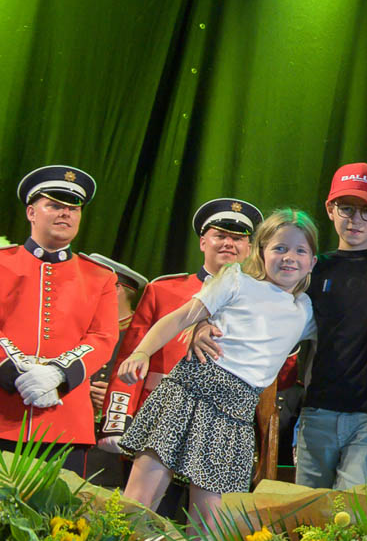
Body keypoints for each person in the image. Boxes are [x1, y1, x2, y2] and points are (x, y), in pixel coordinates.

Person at [117, 210, 318, 528]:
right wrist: (142, 352)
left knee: (210, 526)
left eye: (300, 250)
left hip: (235, 413)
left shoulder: (304, 309)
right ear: (261, 251)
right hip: (188, 392)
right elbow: (181, 317)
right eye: (279, 248)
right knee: (138, 502)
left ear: (312, 262)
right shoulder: (236, 280)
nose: (289, 257)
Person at [279, 164, 367, 490]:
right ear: (330, 209)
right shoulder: (314, 268)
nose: (355, 220)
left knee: (350, 510)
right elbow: (267, 307)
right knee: (308, 510)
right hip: (317, 411)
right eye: (347, 208)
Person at [0, 166, 119, 477]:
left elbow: (103, 337)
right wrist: (14, 370)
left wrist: (58, 373)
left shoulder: (100, 277)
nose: (65, 213)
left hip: (65, 421)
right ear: (31, 212)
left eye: (73, 208)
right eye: (54, 205)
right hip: (3, 409)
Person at [109, 198, 263, 436]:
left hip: (221, 422)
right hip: (158, 413)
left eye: (238, 238)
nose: (228, 243)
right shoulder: (162, 291)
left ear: (249, 248)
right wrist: (117, 423)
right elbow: (131, 358)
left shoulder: (259, 301)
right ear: (203, 242)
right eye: (220, 236)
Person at [79, 253, 148, 484]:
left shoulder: (144, 338)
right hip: (70, 433)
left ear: (115, 289)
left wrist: (115, 400)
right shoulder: (81, 327)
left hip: (112, 449)